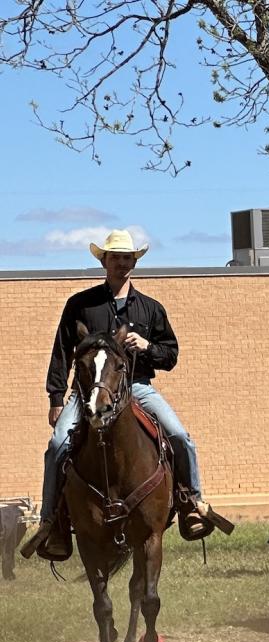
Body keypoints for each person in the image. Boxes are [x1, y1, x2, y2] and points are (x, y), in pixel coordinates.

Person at [22, 229, 214, 560]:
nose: (121, 263)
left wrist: (148, 346)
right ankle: (51, 523)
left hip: (138, 386)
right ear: (104, 261)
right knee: (56, 446)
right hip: (87, 394)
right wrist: (56, 397)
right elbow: (61, 352)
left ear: (133, 263)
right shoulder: (80, 305)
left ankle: (191, 504)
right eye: (115, 258)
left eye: (127, 258)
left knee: (181, 437)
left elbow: (171, 355)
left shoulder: (151, 309)